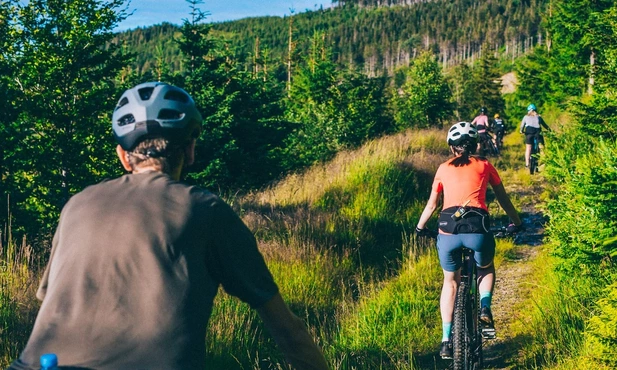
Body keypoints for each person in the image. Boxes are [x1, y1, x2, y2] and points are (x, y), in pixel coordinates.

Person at [7, 82, 330, 370]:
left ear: (123, 156)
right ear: (189, 151)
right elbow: (286, 329)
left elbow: (48, 296)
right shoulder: (206, 210)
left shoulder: (77, 204)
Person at [414, 122, 522, 360]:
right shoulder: (484, 165)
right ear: (474, 145)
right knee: (485, 266)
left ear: (452, 148)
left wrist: (420, 227)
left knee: (450, 282)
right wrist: (517, 222)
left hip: (448, 229)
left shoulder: (442, 168)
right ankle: (485, 307)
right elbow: (503, 200)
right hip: (478, 228)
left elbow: (432, 205)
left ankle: (445, 340)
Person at [519, 103, 550, 168]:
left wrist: (521, 131)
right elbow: (545, 125)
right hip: (538, 133)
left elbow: (522, 126)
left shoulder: (525, 117)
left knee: (528, 148)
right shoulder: (539, 117)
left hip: (529, 133)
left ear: (528, 110)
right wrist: (549, 130)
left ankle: (527, 164)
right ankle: (545, 162)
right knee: (541, 147)